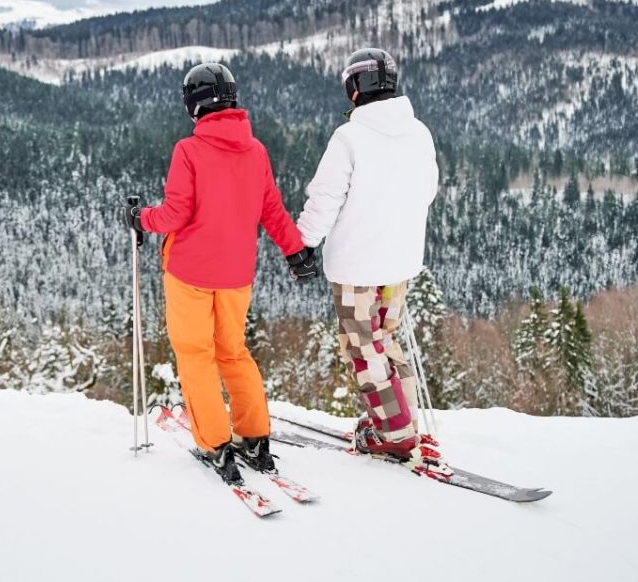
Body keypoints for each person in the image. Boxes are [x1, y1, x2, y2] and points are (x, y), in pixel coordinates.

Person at [124, 62, 318, 482]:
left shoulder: (189, 151)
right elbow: (272, 211)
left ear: (194, 104)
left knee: (196, 356)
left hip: (190, 273)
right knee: (232, 352)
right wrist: (295, 252)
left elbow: (175, 214)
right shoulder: (256, 151)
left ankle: (215, 443)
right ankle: (255, 437)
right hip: (236, 276)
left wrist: (141, 218)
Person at [296, 48, 444, 474]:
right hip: (399, 262)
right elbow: (428, 191)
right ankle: (403, 419)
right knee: (386, 340)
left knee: (363, 346)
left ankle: (394, 433)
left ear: (355, 88)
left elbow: (325, 198)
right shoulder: (420, 133)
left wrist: (305, 242)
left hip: (356, 265)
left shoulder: (350, 139)